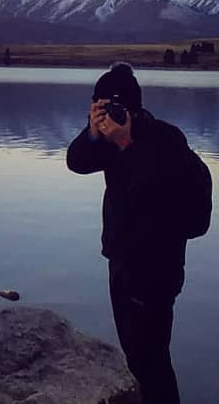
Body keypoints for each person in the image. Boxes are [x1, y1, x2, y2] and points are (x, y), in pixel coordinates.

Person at [66, 62, 187, 404]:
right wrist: (92, 131)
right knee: (137, 356)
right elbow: (76, 162)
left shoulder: (165, 139)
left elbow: (155, 193)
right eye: (102, 106)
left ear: (133, 107)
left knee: (151, 359)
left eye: (114, 107)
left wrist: (126, 142)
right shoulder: (107, 138)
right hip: (122, 260)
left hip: (155, 266)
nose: (109, 114)